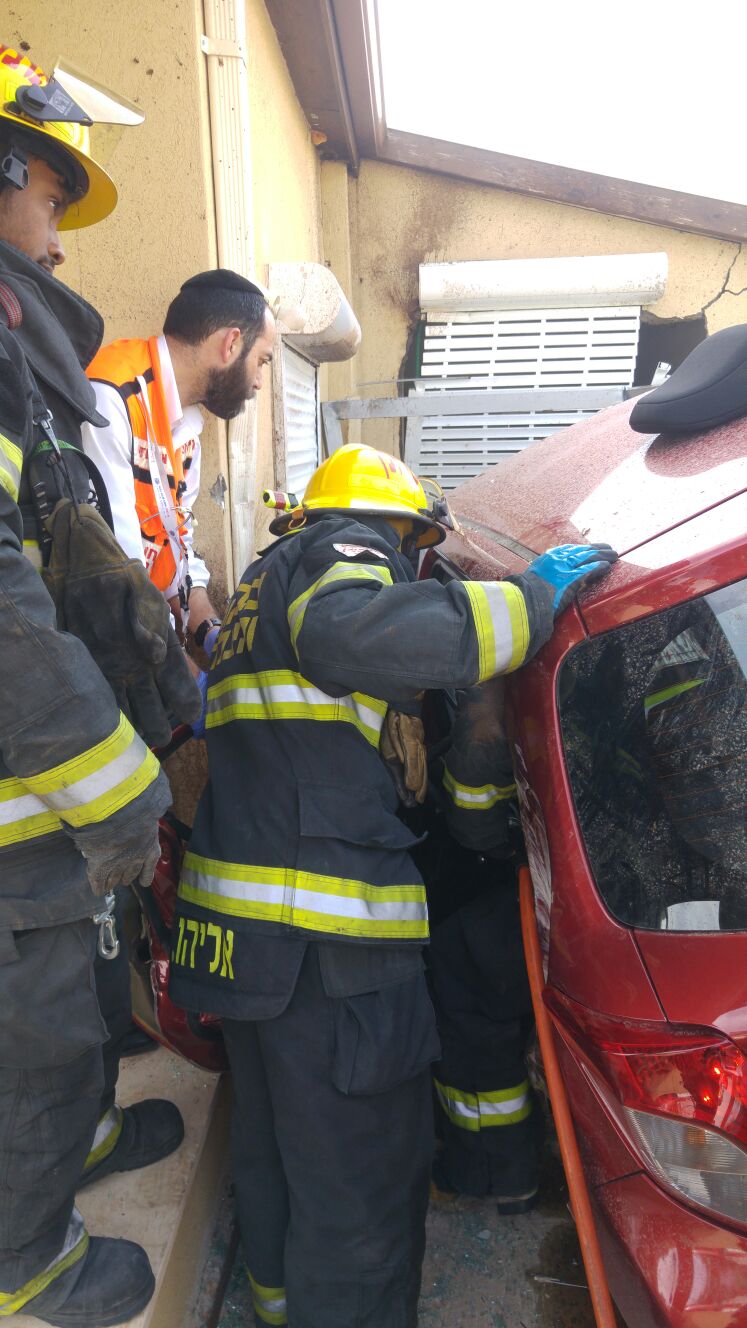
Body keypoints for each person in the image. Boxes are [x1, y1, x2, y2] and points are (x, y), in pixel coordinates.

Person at [169, 441, 617, 1328]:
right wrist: (528, 602)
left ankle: (280, 1304)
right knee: (361, 1182)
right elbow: (368, 630)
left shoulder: (259, 588)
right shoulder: (343, 554)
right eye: (414, 551)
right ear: (396, 531)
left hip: (246, 945)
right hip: (327, 958)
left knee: (274, 1150)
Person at [0, 45, 199, 1326]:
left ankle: (59, 1165)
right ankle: (34, 1269)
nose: (60, 244)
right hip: (24, 807)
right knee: (35, 1047)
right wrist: (120, 787)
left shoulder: (25, 351)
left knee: (62, 1028)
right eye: (52, 202)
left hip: (33, 805)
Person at [82, 271, 276, 660]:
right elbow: (121, 574)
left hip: (151, 643)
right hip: (112, 651)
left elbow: (175, 543)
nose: (258, 382)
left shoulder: (187, 423)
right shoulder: (111, 399)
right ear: (232, 343)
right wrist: (189, 681)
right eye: (262, 361)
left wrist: (210, 631)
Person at [425, 677, 543, 1210]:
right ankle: (513, 1167)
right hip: (511, 894)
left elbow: (474, 820)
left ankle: (487, 1174)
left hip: (483, 901)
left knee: (475, 1053)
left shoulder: (487, 706)